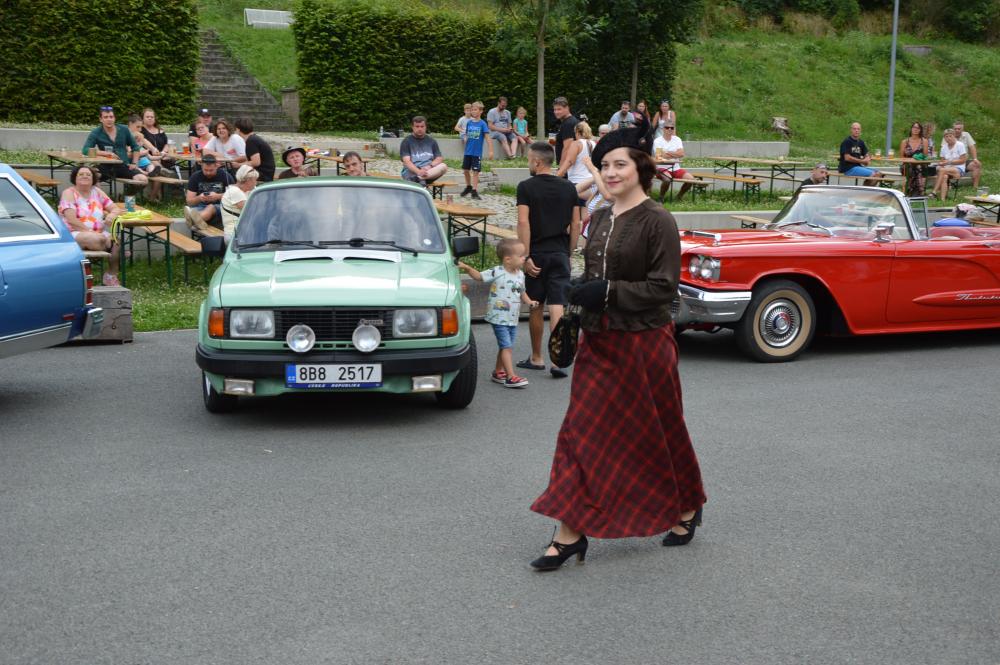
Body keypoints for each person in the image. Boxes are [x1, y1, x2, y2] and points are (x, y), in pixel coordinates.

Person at [528, 122, 706, 571]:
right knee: (580, 434)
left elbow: (664, 288)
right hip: (599, 342)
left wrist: (607, 291)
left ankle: (687, 505)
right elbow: (597, 274)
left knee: (659, 431)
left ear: (641, 167)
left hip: (645, 343)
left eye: (619, 164)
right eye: (604, 165)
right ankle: (569, 533)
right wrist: (580, 291)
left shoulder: (658, 220)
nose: (609, 173)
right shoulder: (602, 216)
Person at [515, 141, 580, 378]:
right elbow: (576, 223)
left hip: (537, 255)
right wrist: (569, 252)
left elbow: (523, 222)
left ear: (536, 161)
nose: (528, 164)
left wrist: (525, 255)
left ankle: (536, 357)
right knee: (557, 305)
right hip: (560, 252)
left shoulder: (526, 187)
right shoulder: (569, 187)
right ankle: (557, 361)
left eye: (528, 160)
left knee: (535, 305)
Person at [457, 238, 539, 388]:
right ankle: (511, 376)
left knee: (506, 346)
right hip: (498, 316)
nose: (524, 258)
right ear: (508, 259)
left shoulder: (520, 274)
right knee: (507, 346)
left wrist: (529, 302)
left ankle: (498, 371)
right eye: (521, 256)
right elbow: (479, 277)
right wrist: (467, 267)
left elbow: (521, 291)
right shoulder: (498, 271)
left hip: (512, 317)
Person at [57, 165, 122, 286]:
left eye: (88, 175)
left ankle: (110, 275)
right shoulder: (69, 193)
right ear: (75, 178)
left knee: (116, 241)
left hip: (98, 233)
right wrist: (90, 232)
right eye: (81, 174)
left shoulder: (97, 192)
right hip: (74, 232)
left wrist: (112, 215)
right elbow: (71, 220)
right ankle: (108, 247)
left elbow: (115, 208)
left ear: (93, 179)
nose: (85, 176)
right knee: (97, 239)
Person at [81, 106, 147, 185]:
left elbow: (135, 147)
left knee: (143, 180)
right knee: (92, 177)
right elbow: (85, 150)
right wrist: (106, 153)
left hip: (123, 165)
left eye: (111, 117)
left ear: (114, 118)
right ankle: (99, 193)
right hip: (106, 166)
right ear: (101, 119)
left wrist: (134, 163)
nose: (109, 119)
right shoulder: (96, 132)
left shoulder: (124, 129)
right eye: (106, 117)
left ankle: (129, 193)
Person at [184, 154, 235, 232]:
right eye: (205, 170)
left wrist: (217, 196)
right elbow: (189, 201)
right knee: (194, 210)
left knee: (211, 207)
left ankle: (194, 220)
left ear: (216, 166)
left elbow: (234, 195)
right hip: (201, 206)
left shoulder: (225, 176)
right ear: (201, 167)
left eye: (211, 170)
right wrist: (199, 198)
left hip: (221, 206)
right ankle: (198, 221)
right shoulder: (195, 177)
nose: (208, 173)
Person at [557, 121, 596, 212]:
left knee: (575, 216)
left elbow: (570, 161)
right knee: (586, 214)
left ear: (577, 132)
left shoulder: (576, 143)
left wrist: (558, 175)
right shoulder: (593, 143)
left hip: (577, 182)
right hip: (591, 182)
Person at [400, 116, 448, 184]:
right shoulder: (406, 141)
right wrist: (418, 172)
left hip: (428, 172)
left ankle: (418, 178)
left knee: (443, 166)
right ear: (412, 127)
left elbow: (439, 158)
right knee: (420, 182)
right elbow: (407, 162)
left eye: (422, 126)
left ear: (426, 127)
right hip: (411, 172)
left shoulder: (432, 141)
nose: (420, 129)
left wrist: (429, 166)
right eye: (417, 126)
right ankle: (419, 179)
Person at [460, 101, 493, 199]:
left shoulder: (483, 124)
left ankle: (474, 191)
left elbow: (487, 138)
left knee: (475, 171)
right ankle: (468, 187)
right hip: (468, 152)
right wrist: (465, 139)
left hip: (476, 153)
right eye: (472, 110)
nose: (473, 112)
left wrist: (491, 151)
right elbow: (467, 135)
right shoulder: (469, 123)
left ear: (481, 111)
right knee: (465, 170)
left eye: (475, 110)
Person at [653, 123, 693, 201]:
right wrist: (675, 154)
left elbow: (681, 154)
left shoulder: (677, 139)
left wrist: (667, 153)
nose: (669, 129)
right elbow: (659, 156)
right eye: (667, 127)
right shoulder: (657, 140)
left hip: (676, 168)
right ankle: (661, 198)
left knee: (691, 179)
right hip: (662, 168)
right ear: (663, 129)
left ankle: (679, 197)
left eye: (672, 128)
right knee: (667, 180)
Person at [221, 164, 258, 243]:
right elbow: (253, 211)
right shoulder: (235, 192)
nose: (256, 182)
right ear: (248, 180)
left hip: (244, 233)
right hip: (235, 236)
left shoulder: (247, 190)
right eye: (255, 180)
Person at [838, 122, 882, 187]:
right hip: (848, 168)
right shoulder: (847, 141)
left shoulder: (861, 142)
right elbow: (847, 158)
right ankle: (865, 190)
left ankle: (865, 189)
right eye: (854, 129)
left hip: (858, 167)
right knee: (873, 174)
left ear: (860, 130)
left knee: (879, 174)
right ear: (851, 130)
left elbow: (866, 153)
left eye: (858, 129)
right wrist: (862, 161)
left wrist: (867, 158)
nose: (856, 130)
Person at [930, 129, 968, 201]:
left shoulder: (960, 145)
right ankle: (943, 199)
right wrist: (941, 164)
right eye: (946, 136)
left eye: (950, 136)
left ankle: (934, 192)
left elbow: (963, 160)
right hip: (946, 169)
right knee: (944, 176)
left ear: (954, 136)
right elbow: (943, 161)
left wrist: (949, 162)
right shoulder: (943, 147)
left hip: (958, 169)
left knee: (942, 170)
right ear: (944, 138)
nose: (948, 138)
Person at [235, 117, 276, 182]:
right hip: (266, 173)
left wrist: (238, 165)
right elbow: (251, 157)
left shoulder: (251, 141)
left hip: (264, 175)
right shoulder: (253, 139)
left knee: (238, 175)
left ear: (238, 129)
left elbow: (256, 162)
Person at [899, 121, 930, 197]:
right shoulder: (904, 142)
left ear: (920, 130)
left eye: (918, 128)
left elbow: (925, 156)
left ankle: (910, 191)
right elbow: (901, 158)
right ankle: (919, 191)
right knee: (912, 168)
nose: (915, 129)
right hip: (907, 165)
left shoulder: (924, 141)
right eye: (914, 127)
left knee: (918, 167)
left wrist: (917, 159)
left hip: (920, 165)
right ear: (911, 129)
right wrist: (911, 160)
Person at [126, 114, 161, 179]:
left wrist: (154, 150)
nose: (140, 130)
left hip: (141, 161)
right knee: (138, 168)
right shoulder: (125, 136)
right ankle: (148, 173)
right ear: (130, 124)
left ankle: (152, 172)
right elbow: (127, 153)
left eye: (141, 127)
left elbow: (145, 141)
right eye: (138, 127)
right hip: (131, 164)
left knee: (152, 165)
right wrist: (141, 153)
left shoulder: (138, 136)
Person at [953, 120, 982, 189]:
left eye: (959, 129)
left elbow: (972, 147)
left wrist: (975, 159)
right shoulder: (948, 135)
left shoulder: (966, 135)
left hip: (964, 161)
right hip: (953, 162)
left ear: (962, 129)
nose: (957, 130)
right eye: (955, 129)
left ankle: (975, 187)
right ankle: (951, 185)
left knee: (977, 165)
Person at [552, 97, 579, 165]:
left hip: (569, 166)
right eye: (555, 109)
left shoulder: (568, 124)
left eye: (559, 109)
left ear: (567, 108)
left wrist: (561, 167)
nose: (556, 112)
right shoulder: (569, 121)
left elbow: (567, 148)